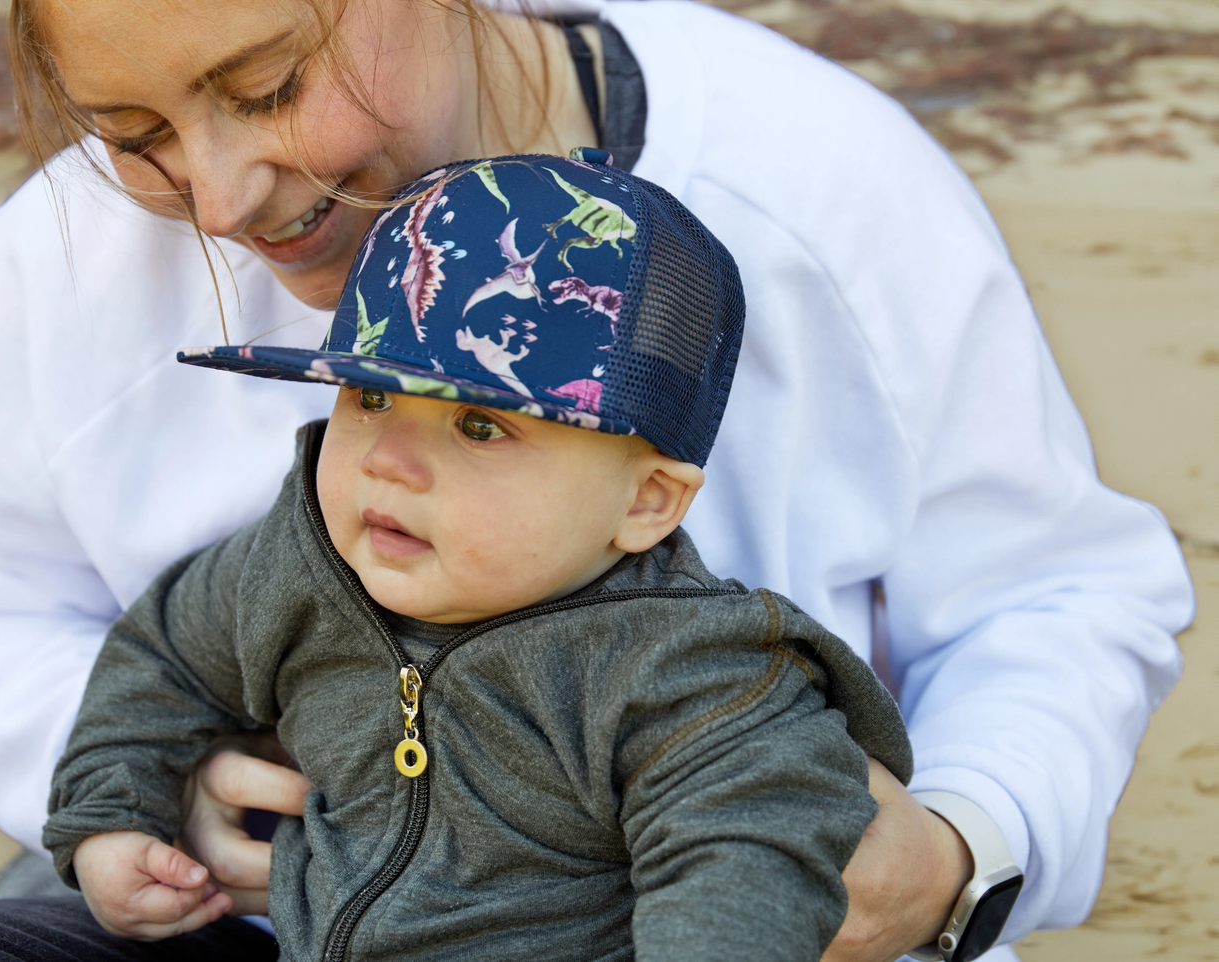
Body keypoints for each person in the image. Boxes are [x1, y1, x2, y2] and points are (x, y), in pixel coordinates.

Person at [0, 0, 1188, 957]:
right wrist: (143, 792)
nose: (217, 200)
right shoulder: (59, 266)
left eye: (266, 86)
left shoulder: (820, 182)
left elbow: (1055, 593)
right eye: (132, 134)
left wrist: (957, 842)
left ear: (656, 489)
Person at [46, 154, 914, 960]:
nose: (388, 461)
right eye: (372, 396)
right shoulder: (294, 564)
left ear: (645, 502)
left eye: (478, 426)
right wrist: (108, 817)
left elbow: (740, 874)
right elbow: (162, 654)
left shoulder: (692, 678)